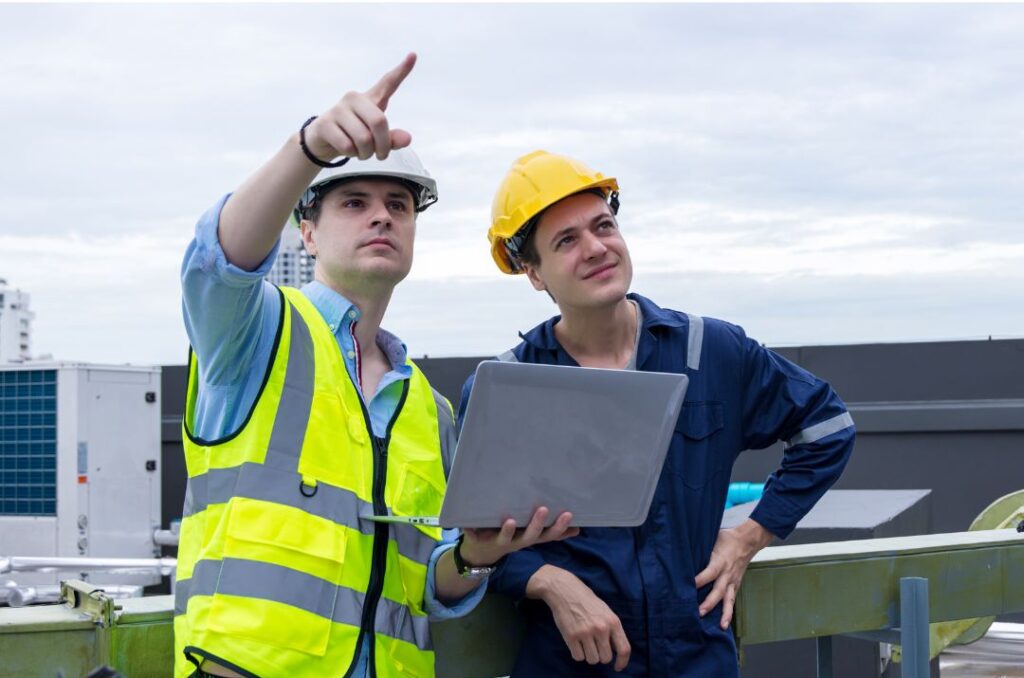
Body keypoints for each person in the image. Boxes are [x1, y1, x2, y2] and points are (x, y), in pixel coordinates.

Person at [172, 56, 576, 678]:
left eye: (399, 205)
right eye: (353, 202)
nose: (383, 215)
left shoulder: (426, 406)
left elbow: (428, 585)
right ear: (306, 233)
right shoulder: (254, 336)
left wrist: (474, 557)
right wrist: (309, 148)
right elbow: (215, 262)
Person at [459, 150, 856, 676]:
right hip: (573, 662)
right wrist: (549, 581)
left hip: (698, 656)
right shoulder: (508, 387)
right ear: (532, 272)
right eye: (566, 240)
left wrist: (750, 535)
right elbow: (473, 541)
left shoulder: (709, 351)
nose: (597, 248)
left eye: (604, 225)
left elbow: (827, 428)